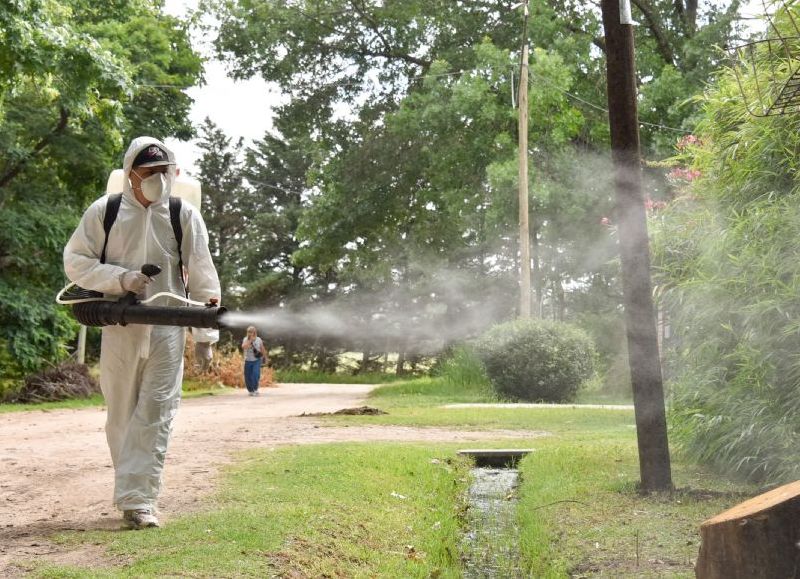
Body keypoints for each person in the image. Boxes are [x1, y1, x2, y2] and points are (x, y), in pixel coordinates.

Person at [63, 137, 220, 529]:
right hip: (121, 328)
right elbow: (75, 261)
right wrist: (119, 278)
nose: (159, 181)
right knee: (121, 415)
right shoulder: (106, 212)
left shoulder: (184, 215)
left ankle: (139, 501)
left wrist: (206, 340)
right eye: (150, 173)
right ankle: (131, 489)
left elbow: (202, 275)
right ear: (131, 174)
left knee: (157, 414)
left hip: (170, 330)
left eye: (165, 173)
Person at [241, 326, 267, 396]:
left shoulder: (259, 339)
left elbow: (262, 349)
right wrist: (250, 340)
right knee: (248, 376)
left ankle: (255, 389)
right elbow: (244, 347)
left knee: (256, 374)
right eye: (249, 332)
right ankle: (250, 390)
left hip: (256, 360)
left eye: (251, 331)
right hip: (248, 360)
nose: (250, 333)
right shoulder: (245, 339)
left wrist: (265, 358)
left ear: (254, 332)